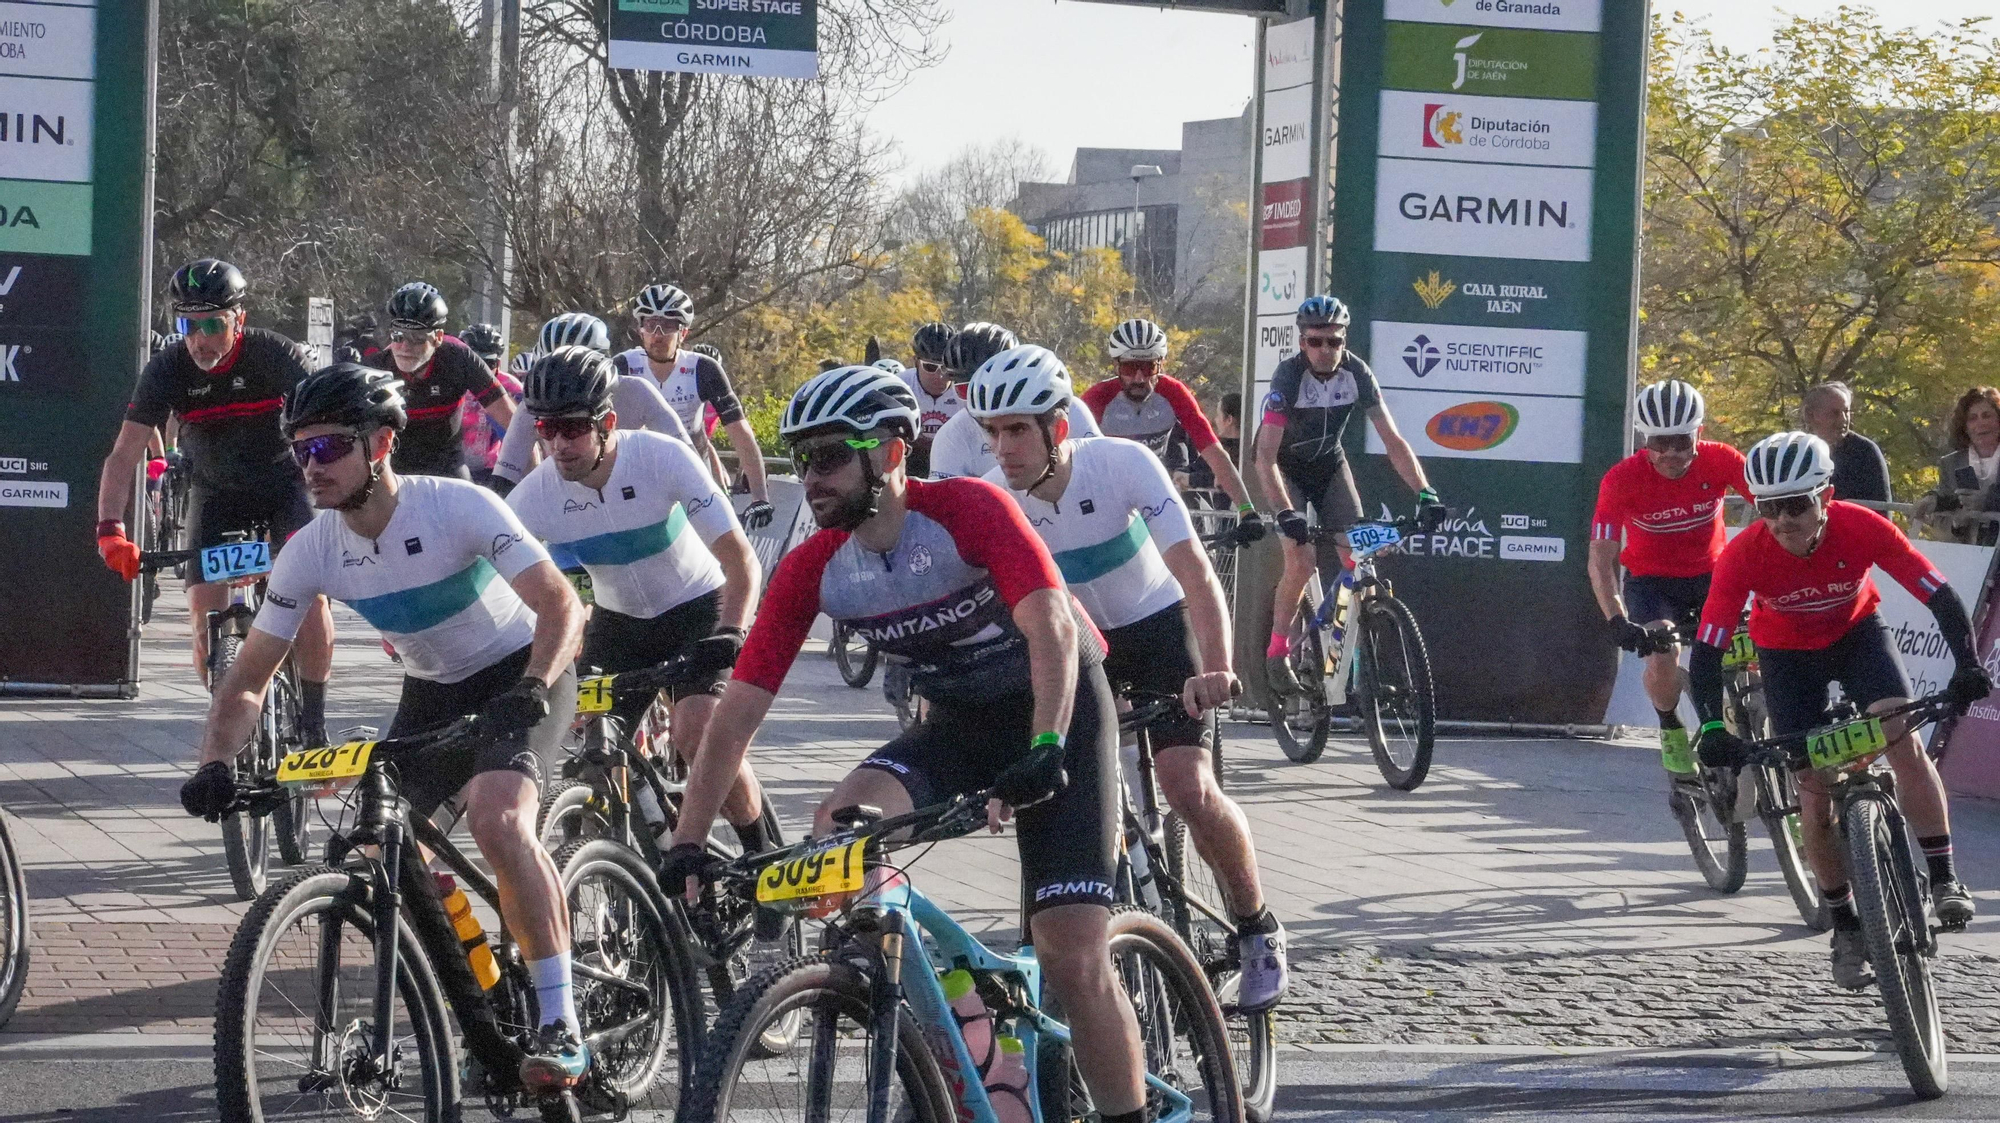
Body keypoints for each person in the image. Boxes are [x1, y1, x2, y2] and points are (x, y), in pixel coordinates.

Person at [662, 364, 1152, 1123]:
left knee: (1069, 951)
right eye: (800, 457)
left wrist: (1048, 740)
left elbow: (1053, 628)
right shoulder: (815, 566)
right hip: (958, 722)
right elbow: (735, 715)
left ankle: (1126, 1112)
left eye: (828, 456)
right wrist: (689, 840)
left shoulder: (967, 509)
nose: (810, 477)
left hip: (1060, 707)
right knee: (838, 829)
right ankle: (959, 1036)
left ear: (891, 454)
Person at [176, 363, 594, 1084]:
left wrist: (531, 685)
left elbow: (564, 607)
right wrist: (214, 764)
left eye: (329, 447)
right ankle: (483, 1007)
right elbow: (246, 679)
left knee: (499, 820)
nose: (312, 466)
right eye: (299, 449)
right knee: (380, 846)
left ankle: (561, 1019)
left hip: (522, 671)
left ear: (383, 443)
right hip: (434, 688)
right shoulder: (312, 548)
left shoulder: (455, 507)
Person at [968, 345, 1290, 1009]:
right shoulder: (995, 498)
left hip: (1158, 630)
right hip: (1083, 649)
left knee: (1186, 786)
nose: (1003, 447)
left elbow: (1196, 572)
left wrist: (1221, 667)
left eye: (1018, 429)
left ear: (1059, 427)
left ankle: (1258, 925)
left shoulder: (1121, 463)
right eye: (992, 432)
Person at [1690, 431, 1988, 989]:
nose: (1782, 520)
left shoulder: (1861, 525)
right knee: (1812, 786)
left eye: (1796, 504)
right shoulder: (1743, 555)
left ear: (1826, 497)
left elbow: (1940, 594)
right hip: (1785, 655)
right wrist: (1709, 726)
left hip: (1858, 636)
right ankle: (1846, 923)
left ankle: (1945, 875)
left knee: (1900, 734)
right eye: (1768, 507)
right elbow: (1707, 649)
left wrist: (1967, 664)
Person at [504, 347, 776, 852]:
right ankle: (641, 862)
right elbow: (489, 581)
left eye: (574, 428)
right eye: (547, 430)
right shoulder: (538, 494)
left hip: (700, 609)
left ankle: (759, 851)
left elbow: (741, 561)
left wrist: (731, 633)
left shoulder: (660, 457)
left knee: (698, 733)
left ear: (608, 421)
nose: (559, 444)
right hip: (620, 624)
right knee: (592, 753)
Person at [95, 259, 335, 743]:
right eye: (188, 324)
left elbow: (328, 423)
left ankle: (313, 725)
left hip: (282, 487)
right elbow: (124, 454)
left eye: (213, 324)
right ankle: (234, 720)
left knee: (310, 602)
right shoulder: (167, 368)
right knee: (203, 620)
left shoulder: (275, 355)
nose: (199, 338)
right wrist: (110, 530)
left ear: (238, 320)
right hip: (215, 493)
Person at [1254, 296, 1443, 696]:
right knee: (1302, 563)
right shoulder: (1288, 378)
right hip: (1285, 468)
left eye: (1333, 342)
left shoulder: (1357, 373)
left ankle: (1363, 664)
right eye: (1315, 342)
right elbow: (1265, 458)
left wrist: (1425, 492)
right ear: (1302, 342)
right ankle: (1277, 651)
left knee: (1359, 559)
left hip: (1328, 466)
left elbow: (1393, 440)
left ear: (1344, 340)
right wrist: (1286, 513)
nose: (1324, 351)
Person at [1587, 380, 1751, 781]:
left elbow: (1775, 508)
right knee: (1663, 656)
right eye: (1658, 443)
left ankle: (1751, 720)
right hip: (1652, 583)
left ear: (1699, 433)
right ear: (1644, 439)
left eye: (1680, 442)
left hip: (1713, 575)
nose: (1670, 454)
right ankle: (1669, 722)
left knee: (1755, 653)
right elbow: (1600, 558)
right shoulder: (1622, 479)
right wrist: (1616, 618)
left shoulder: (1721, 460)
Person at [1080, 318, 1264, 539]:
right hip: (1107, 497)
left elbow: (1214, 453)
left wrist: (1246, 510)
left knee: (1196, 566)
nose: (1139, 378)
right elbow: (1067, 456)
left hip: (1152, 493)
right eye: (1129, 368)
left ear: (1161, 365)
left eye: (1149, 367)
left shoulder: (1173, 393)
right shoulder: (1098, 398)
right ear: (1116, 366)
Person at [613, 284, 774, 529]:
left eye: (667, 326)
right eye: (650, 324)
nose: (658, 334)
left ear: (683, 333)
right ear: (640, 329)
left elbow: (741, 433)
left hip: (691, 465)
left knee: (720, 538)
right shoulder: (622, 366)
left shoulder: (703, 369)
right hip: (639, 469)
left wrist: (760, 497)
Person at [488, 313, 692, 496]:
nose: (563, 389)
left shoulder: (636, 391)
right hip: (567, 499)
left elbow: (689, 458)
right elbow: (504, 481)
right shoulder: (530, 408)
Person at [364, 283, 514, 481]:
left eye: (417, 337)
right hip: (394, 469)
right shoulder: (377, 368)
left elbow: (511, 421)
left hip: (447, 466)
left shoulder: (459, 358)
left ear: (438, 338)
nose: (405, 346)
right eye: (398, 336)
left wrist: (522, 485)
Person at [927, 322, 1103, 479]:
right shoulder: (951, 437)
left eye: (1018, 429)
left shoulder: (1072, 411)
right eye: (965, 389)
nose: (982, 400)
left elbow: (1100, 471)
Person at [1917, 386, 2000, 547]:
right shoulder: (1950, 464)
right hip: (1967, 553)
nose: (1980, 423)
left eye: (1987, 415)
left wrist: (1987, 502)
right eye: (1972, 418)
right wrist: (1956, 522)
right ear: (1965, 427)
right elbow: (1944, 521)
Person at [1800, 382, 1891, 505]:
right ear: (1810, 415)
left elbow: (1881, 512)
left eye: (1846, 411)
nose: (1843, 419)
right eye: (1835, 413)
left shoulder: (1864, 452)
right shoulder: (1795, 452)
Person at [458, 323, 519, 488]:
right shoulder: (449, 382)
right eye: (473, 363)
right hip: (456, 467)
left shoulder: (511, 386)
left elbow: (529, 434)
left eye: (488, 363)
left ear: (498, 363)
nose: (480, 370)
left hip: (496, 470)